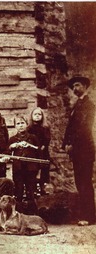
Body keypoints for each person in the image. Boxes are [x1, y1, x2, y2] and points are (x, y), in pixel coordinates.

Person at [62, 75, 95, 226]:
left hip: (85, 150)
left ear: (84, 87)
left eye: (77, 85)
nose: (75, 89)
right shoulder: (77, 104)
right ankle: (86, 215)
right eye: (73, 87)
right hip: (77, 151)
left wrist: (72, 144)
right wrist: (65, 144)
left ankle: (89, 217)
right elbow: (70, 127)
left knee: (85, 182)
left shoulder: (89, 105)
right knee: (79, 182)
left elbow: (83, 128)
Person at [3, 115, 39, 214]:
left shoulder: (32, 138)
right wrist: (11, 147)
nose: (20, 125)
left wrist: (30, 146)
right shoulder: (12, 139)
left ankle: (32, 215)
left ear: (26, 124)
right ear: (15, 126)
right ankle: (19, 215)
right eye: (18, 124)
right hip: (18, 170)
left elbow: (38, 152)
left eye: (22, 123)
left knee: (30, 192)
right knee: (18, 192)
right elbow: (7, 153)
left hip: (31, 170)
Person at [27, 107, 51, 195]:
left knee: (44, 169)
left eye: (39, 114)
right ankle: (33, 189)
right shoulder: (29, 128)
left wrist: (43, 147)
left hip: (43, 151)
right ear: (32, 116)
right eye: (35, 114)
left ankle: (42, 187)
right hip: (33, 152)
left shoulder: (45, 127)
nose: (37, 116)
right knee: (34, 170)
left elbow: (47, 139)